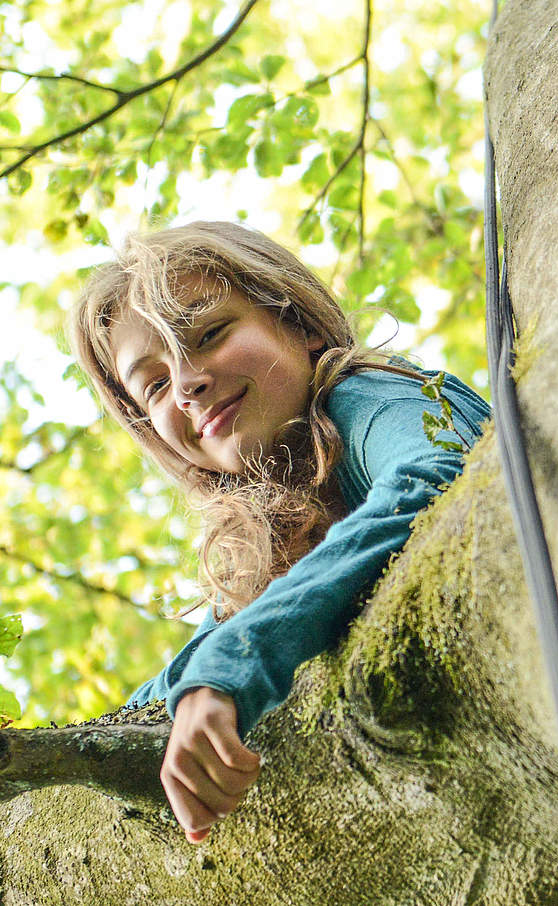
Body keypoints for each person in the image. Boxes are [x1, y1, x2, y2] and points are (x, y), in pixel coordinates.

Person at [67, 220, 490, 844]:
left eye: (209, 334)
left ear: (299, 322)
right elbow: (172, 686)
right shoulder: (267, 545)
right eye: (153, 384)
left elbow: (439, 474)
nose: (186, 385)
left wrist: (233, 665)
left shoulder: (373, 395)